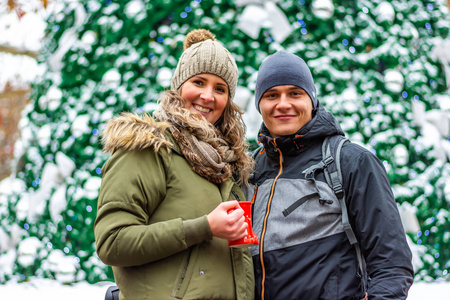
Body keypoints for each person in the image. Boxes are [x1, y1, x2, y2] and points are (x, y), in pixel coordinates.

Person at [94, 29, 255, 300]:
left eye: (220, 88)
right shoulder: (150, 148)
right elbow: (112, 242)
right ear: (179, 85)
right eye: (199, 82)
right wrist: (203, 227)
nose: (208, 96)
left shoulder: (229, 164)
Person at [246, 51, 414, 299]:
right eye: (272, 95)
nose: (283, 104)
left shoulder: (351, 162)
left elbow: (392, 265)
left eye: (295, 93)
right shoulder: (249, 169)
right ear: (260, 104)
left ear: (312, 100)